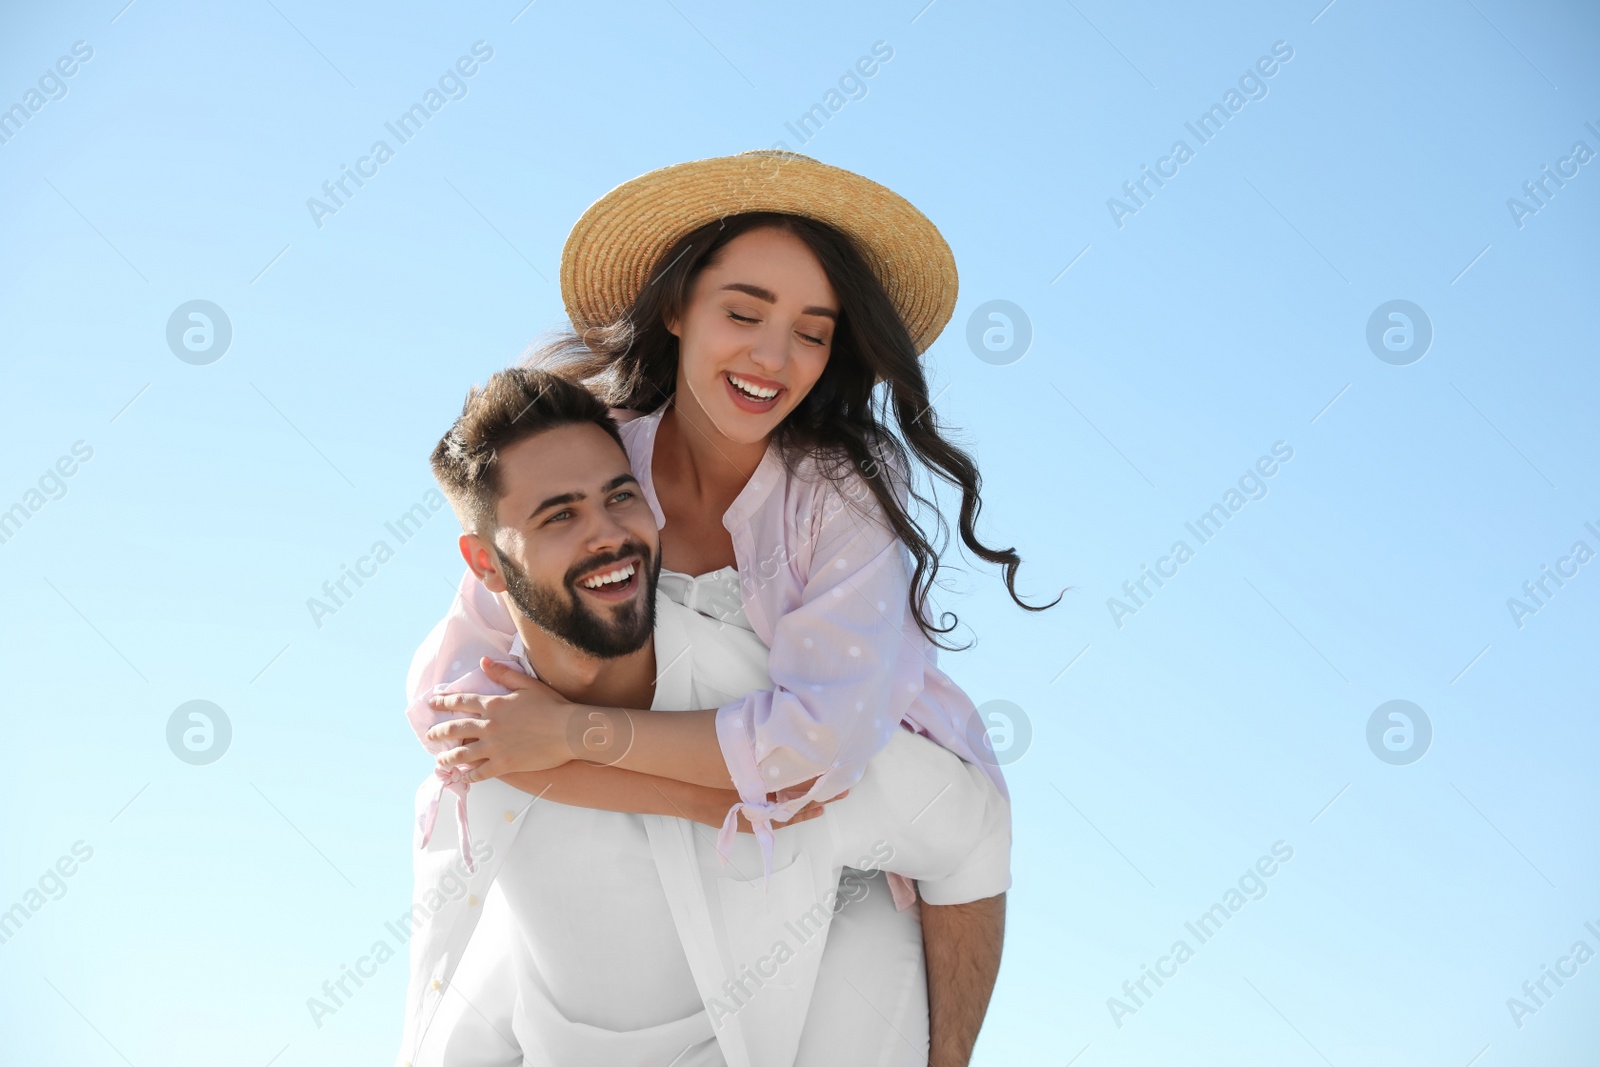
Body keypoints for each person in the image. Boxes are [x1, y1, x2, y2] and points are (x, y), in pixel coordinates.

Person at [410, 151, 1056, 1065]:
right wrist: (647, 781)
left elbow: (815, 747)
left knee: (971, 838)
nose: (772, 357)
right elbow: (452, 689)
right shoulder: (597, 456)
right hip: (703, 768)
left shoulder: (833, 495)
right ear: (677, 308)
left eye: (812, 331)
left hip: (858, 761)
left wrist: (567, 737)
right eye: (743, 313)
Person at [398, 367, 1011, 1066]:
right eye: (560, 514)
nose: (608, 534)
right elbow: (477, 987)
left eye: (620, 495)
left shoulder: (784, 732)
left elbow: (973, 832)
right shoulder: (485, 744)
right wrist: (696, 796)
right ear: (487, 566)